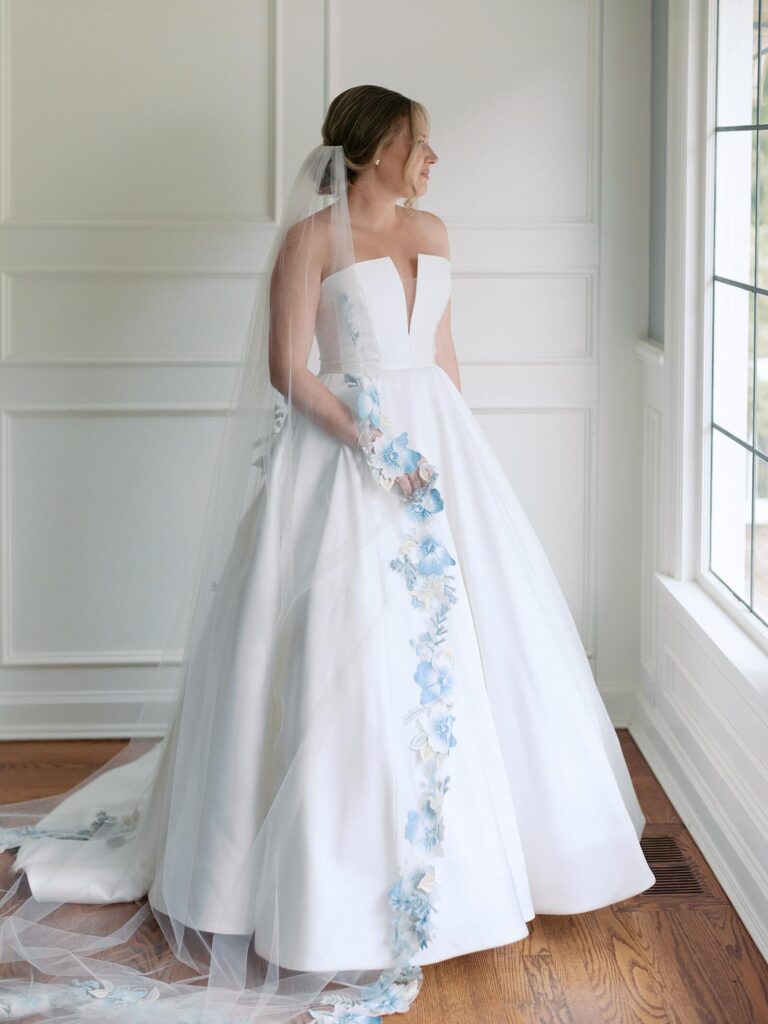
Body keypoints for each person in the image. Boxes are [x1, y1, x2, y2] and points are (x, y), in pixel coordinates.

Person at [0, 85, 655, 1023]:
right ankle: (320, 885)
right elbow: (287, 368)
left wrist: (455, 452)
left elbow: (444, 354)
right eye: (419, 142)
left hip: (438, 451)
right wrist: (373, 442)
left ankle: (491, 862)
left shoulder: (434, 232)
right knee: (341, 655)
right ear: (374, 148)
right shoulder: (309, 242)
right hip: (346, 453)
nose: (432, 157)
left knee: (480, 650)